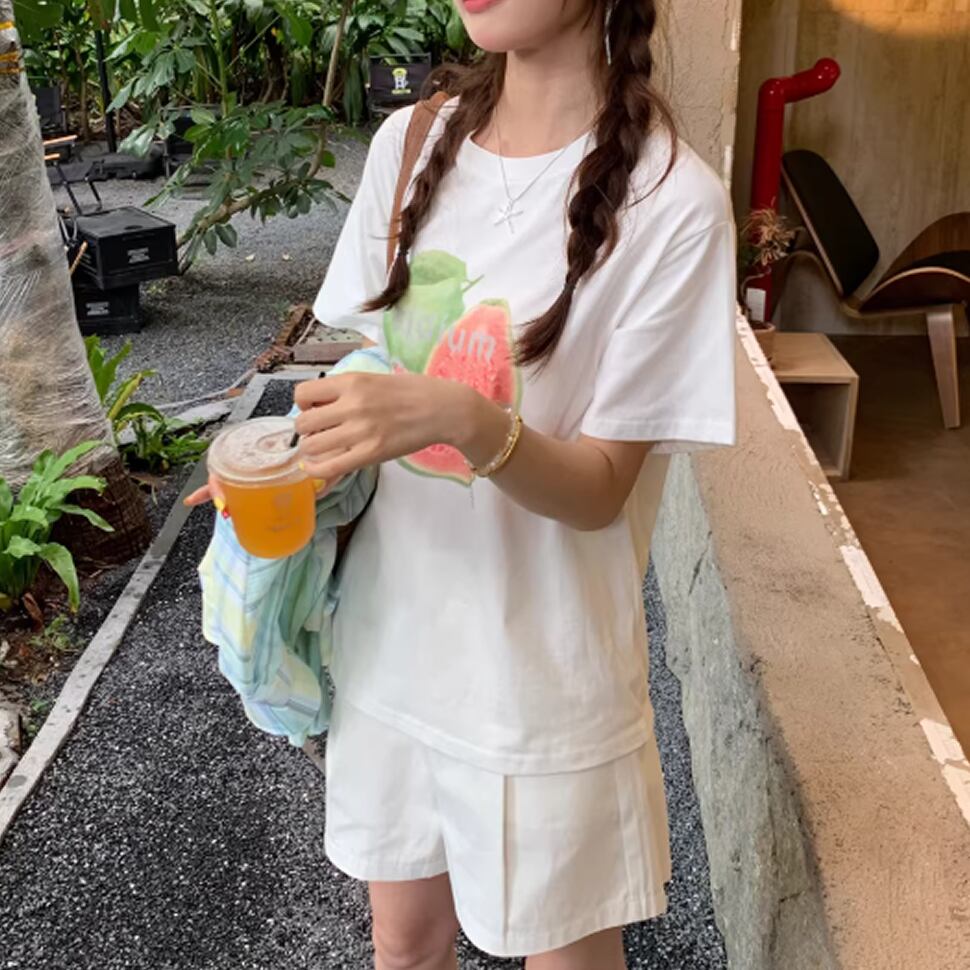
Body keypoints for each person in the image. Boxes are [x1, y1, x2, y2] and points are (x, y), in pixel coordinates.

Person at [189, 1, 736, 966]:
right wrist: (290, 460)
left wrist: (466, 420)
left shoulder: (673, 203)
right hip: (390, 650)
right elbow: (371, 373)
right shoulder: (412, 143)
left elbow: (601, 489)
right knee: (404, 947)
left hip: (541, 684)